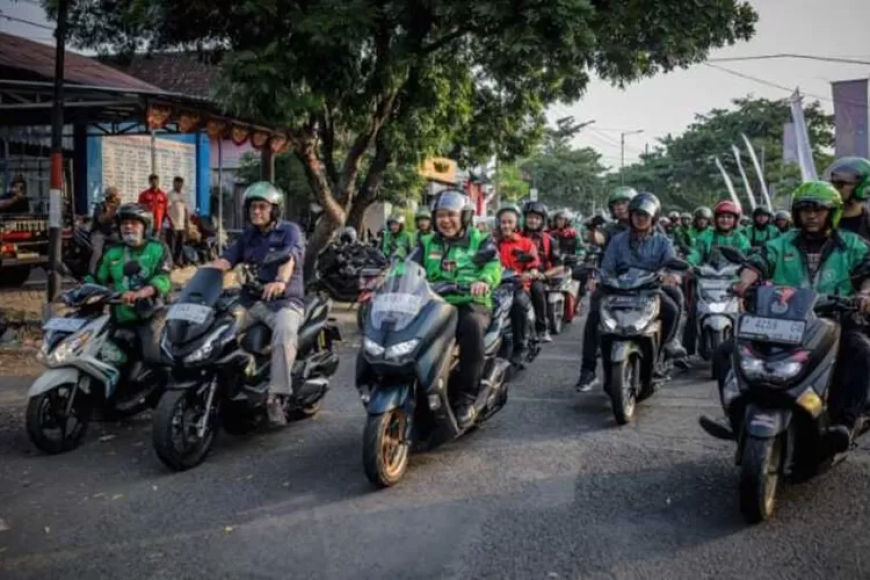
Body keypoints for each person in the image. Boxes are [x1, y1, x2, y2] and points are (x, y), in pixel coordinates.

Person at [706, 181, 870, 452]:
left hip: (834, 320)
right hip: (782, 320)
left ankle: (845, 422)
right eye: (805, 210)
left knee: (861, 350)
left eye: (819, 210)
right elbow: (757, 263)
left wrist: (865, 294)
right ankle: (734, 416)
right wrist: (744, 283)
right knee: (726, 351)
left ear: (832, 213)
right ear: (796, 213)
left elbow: (867, 273)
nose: (812, 215)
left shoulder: (852, 245)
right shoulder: (781, 243)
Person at [211, 182, 305, 427]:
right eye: (253, 207)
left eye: (262, 207)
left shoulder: (290, 231)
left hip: (284, 302)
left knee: (284, 336)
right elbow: (227, 259)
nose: (256, 212)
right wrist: (204, 274)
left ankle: (276, 397)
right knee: (218, 327)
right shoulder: (248, 236)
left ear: (274, 210)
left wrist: (281, 281)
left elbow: (290, 258)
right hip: (253, 301)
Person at [575, 193, 687, 391]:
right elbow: (607, 267)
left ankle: (663, 351)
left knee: (672, 310)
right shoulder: (617, 239)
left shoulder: (662, 241)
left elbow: (672, 264)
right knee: (594, 316)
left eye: (645, 215)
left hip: (648, 290)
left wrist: (671, 275)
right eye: (636, 214)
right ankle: (588, 371)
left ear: (653, 217)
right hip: (617, 289)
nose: (640, 218)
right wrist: (596, 278)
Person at [410, 190, 501, 428]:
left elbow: (492, 266)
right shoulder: (427, 242)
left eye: (451, 215)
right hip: (432, 303)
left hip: (469, 302)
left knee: (470, 326)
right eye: (440, 215)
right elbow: (406, 266)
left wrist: (484, 282)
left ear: (465, 217)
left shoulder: (479, 240)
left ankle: (466, 399)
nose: (445, 220)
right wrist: (388, 276)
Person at [89, 203, 172, 366]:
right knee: (102, 357)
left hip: (152, 315)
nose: (127, 227)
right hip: (119, 317)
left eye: (134, 223)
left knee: (153, 358)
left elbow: (163, 279)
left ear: (145, 227)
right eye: (124, 223)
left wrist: (141, 293)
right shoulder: (113, 252)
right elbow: (97, 279)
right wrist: (77, 292)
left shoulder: (158, 248)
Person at [684, 200, 749, 355]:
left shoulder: (741, 238)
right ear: (715, 218)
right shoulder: (705, 236)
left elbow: (746, 257)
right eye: (722, 216)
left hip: (733, 284)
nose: (725, 220)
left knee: (747, 312)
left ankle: (747, 349)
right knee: (693, 311)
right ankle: (687, 351)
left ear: (735, 220)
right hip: (707, 283)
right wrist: (690, 264)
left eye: (729, 217)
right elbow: (697, 252)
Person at [494, 204, 541, 367]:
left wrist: (531, 273)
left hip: (518, 287)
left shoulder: (526, 244)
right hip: (495, 287)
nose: (506, 225)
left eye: (510, 222)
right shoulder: (492, 243)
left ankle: (520, 347)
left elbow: (534, 265)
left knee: (518, 306)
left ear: (516, 224)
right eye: (503, 222)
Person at [522, 200, 560, 343]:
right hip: (516, 276)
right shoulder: (516, 236)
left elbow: (559, 265)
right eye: (530, 217)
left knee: (537, 289)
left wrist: (544, 275)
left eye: (537, 218)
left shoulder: (550, 241)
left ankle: (541, 329)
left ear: (542, 221)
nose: (533, 221)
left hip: (538, 277)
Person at [824, 157, 870, 240]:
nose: (834, 188)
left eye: (841, 183)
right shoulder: (818, 221)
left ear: (862, 187)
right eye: (832, 182)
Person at [89, 187, 121, 276]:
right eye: (114, 197)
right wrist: (111, 211)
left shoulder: (118, 207)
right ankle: (92, 273)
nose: (116, 198)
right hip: (99, 233)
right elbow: (101, 220)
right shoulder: (100, 206)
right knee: (97, 252)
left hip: (112, 233)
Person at [167, 176, 190, 267]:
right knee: (172, 245)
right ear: (174, 183)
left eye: (180, 184)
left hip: (182, 225)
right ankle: (171, 262)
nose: (179, 185)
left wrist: (187, 222)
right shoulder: (170, 195)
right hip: (173, 224)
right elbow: (167, 209)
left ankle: (178, 261)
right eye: (177, 183)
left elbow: (185, 210)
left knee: (180, 244)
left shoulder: (183, 195)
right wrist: (171, 221)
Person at [138, 174, 168, 242]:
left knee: (156, 242)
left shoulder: (163, 195)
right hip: (147, 223)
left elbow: (165, 210)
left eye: (156, 181)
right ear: (149, 182)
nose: (155, 183)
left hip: (158, 224)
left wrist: (161, 221)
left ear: (158, 181)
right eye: (152, 181)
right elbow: (140, 208)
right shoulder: (144, 194)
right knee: (146, 241)